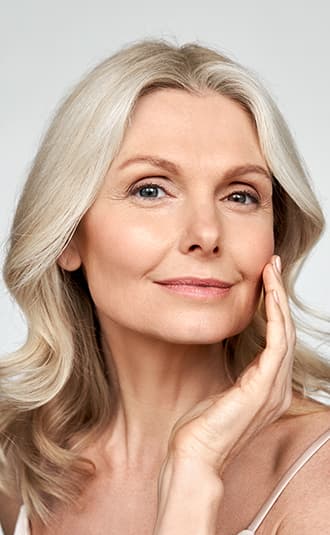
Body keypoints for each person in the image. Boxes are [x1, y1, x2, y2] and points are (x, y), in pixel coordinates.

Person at [0, 38, 329, 535]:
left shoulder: (318, 477)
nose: (206, 234)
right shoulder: (18, 462)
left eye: (240, 195)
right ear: (67, 235)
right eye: (150, 189)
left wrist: (195, 472)